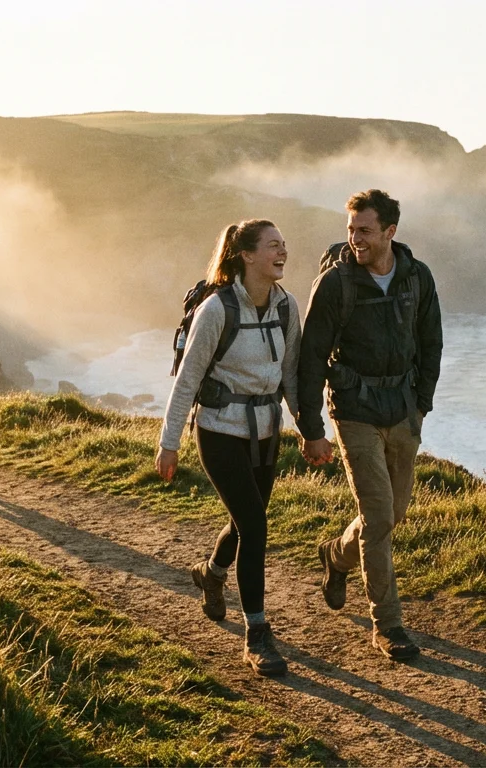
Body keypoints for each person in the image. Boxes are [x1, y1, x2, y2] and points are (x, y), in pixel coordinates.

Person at [298, 189, 443, 661]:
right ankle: (388, 625)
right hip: (354, 410)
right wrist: (311, 427)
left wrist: (421, 406)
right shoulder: (335, 284)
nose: (355, 239)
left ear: (390, 232)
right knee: (378, 518)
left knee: (392, 515)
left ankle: (335, 555)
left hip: (402, 409)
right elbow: (311, 356)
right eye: (351, 230)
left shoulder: (417, 277)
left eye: (365, 230)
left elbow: (432, 342)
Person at [156, 219, 301, 677]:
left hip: (266, 431)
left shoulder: (287, 306)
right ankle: (257, 633)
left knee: (245, 523)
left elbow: (291, 376)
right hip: (219, 431)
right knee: (255, 525)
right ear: (247, 255)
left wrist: (312, 431)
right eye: (273, 245)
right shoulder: (217, 309)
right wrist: (169, 444)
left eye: (283, 245)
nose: (282, 252)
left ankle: (211, 573)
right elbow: (187, 380)